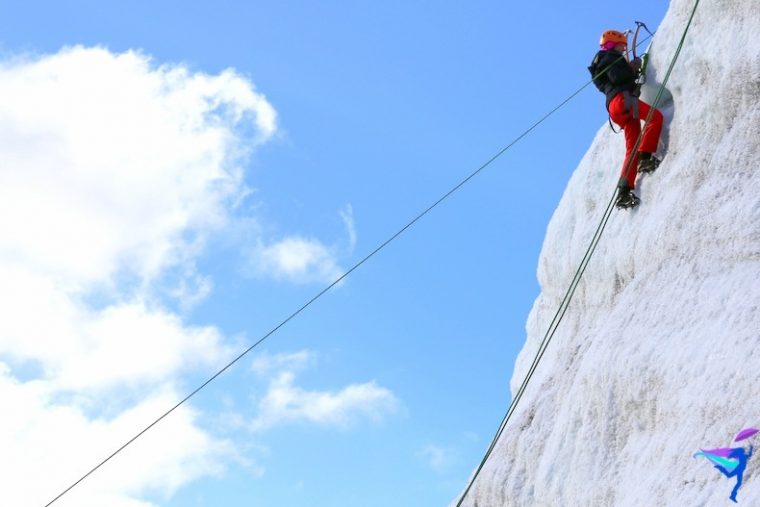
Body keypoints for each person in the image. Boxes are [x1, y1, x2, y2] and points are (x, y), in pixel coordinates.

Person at [588, 29, 664, 209]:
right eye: (622, 45)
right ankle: (645, 158)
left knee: (632, 147)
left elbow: (616, 79)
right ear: (614, 44)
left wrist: (631, 73)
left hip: (616, 108)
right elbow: (618, 76)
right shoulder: (609, 57)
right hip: (623, 101)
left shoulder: (603, 62)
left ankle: (624, 191)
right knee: (655, 117)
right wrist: (632, 67)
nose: (624, 49)